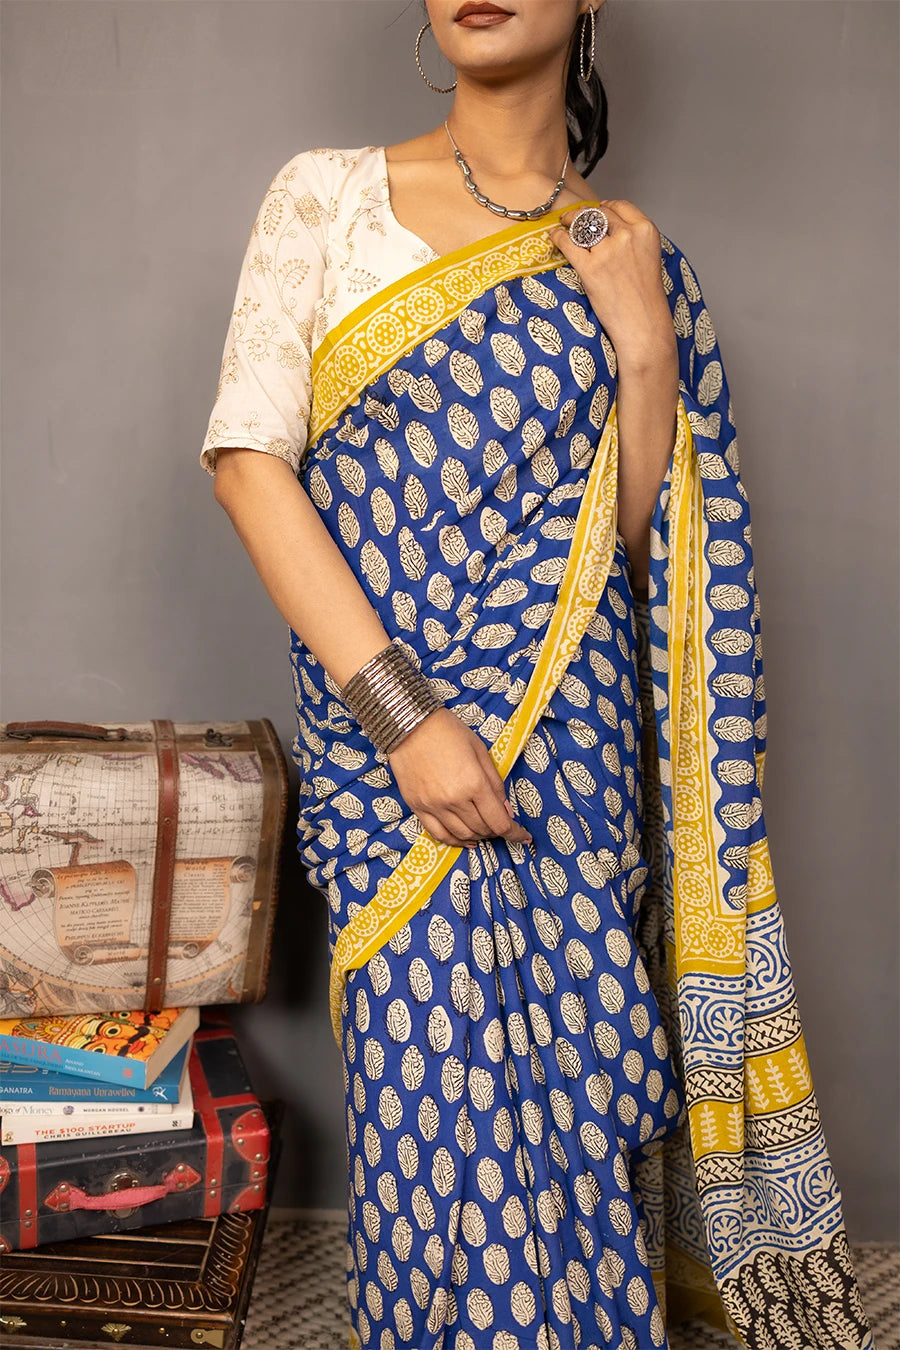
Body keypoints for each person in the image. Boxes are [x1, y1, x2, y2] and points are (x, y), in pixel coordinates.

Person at [199, 3, 876, 1347]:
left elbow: (618, 553)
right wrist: (406, 719)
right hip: (399, 769)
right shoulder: (329, 199)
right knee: (433, 1142)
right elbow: (249, 462)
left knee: (581, 1124)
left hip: (571, 772)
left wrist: (639, 344)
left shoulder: (631, 256)